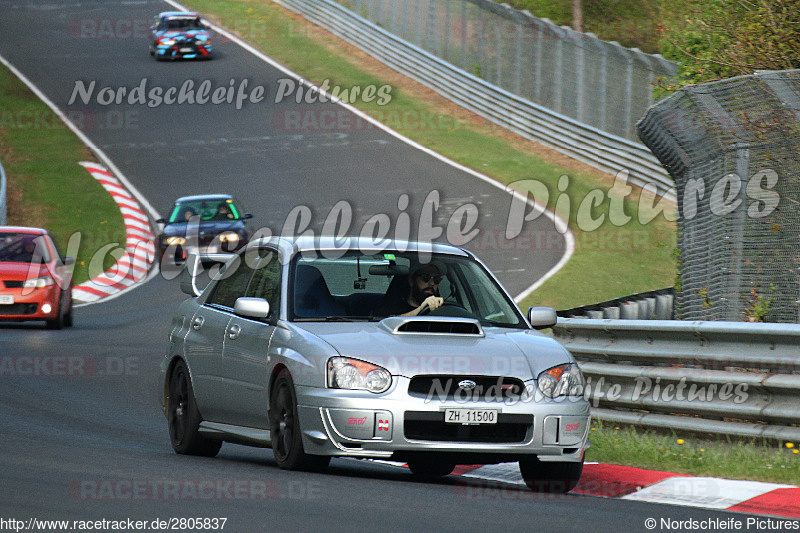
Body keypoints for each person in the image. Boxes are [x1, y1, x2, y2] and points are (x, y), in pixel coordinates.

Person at [377, 261, 447, 317]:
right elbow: (387, 323)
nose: (432, 283)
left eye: (436, 279)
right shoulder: (392, 308)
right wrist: (420, 309)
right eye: (425, 277)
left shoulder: (441, 311)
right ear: (411, 280)